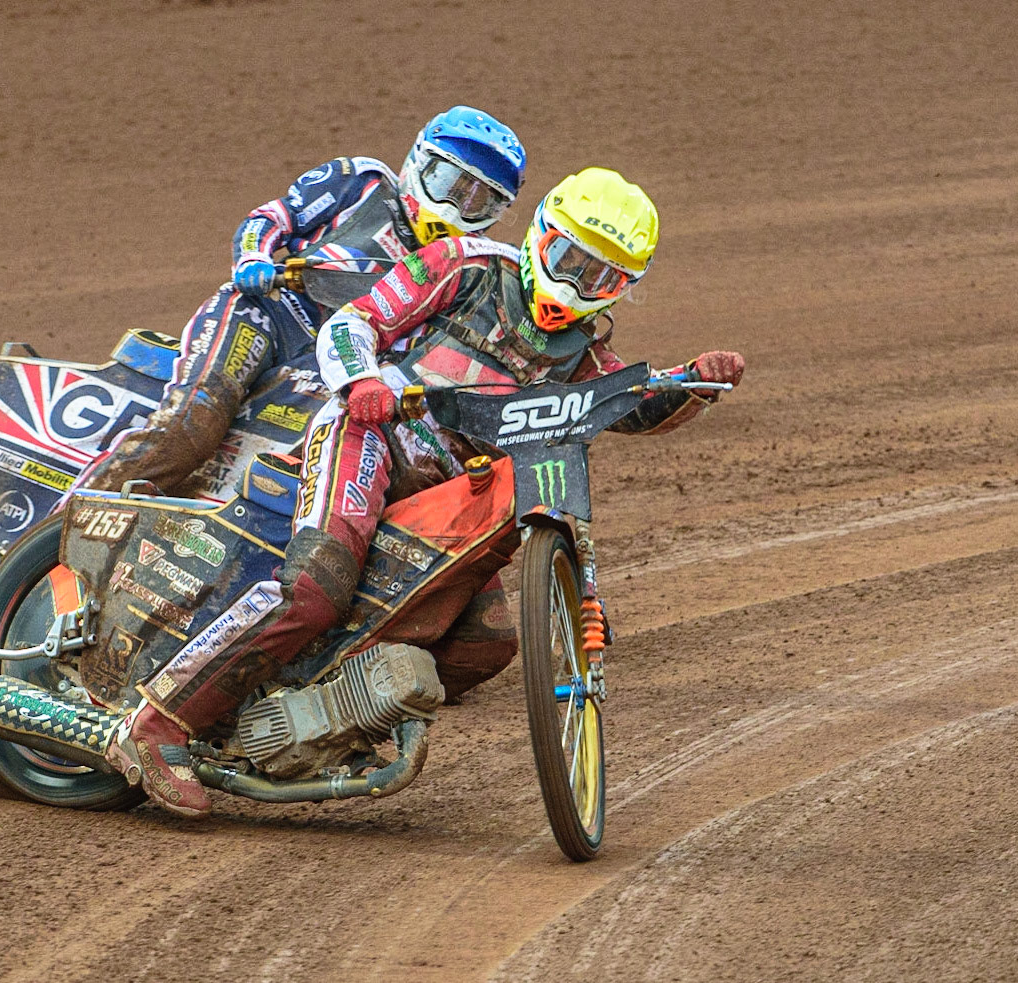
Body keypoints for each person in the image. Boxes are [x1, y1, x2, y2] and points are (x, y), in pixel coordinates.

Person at [108, 167, 746, 817]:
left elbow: (624, 404)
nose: (575, 284)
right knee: (317, 584)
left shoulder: (581, 354)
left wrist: (688, 384)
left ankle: (328, 713)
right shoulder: (464, 265)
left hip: (448, 487)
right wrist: (361, 380)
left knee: (486, 641)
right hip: (374, 434)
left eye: (599, 276)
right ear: (541, 235)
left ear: (623, 287)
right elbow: (353, 323)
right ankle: (157, 724)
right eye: (568, 258)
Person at [69, 106, 527, 497]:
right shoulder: (362, 182)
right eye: (450, 183)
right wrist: (254, 256)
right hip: (270, 313)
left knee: (330, 469)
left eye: (477, 201)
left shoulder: (467, 268)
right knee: (190, 427)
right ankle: (55, 530)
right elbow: (272, 217)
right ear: (420, 163)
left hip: (339, 366)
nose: (454, 207)